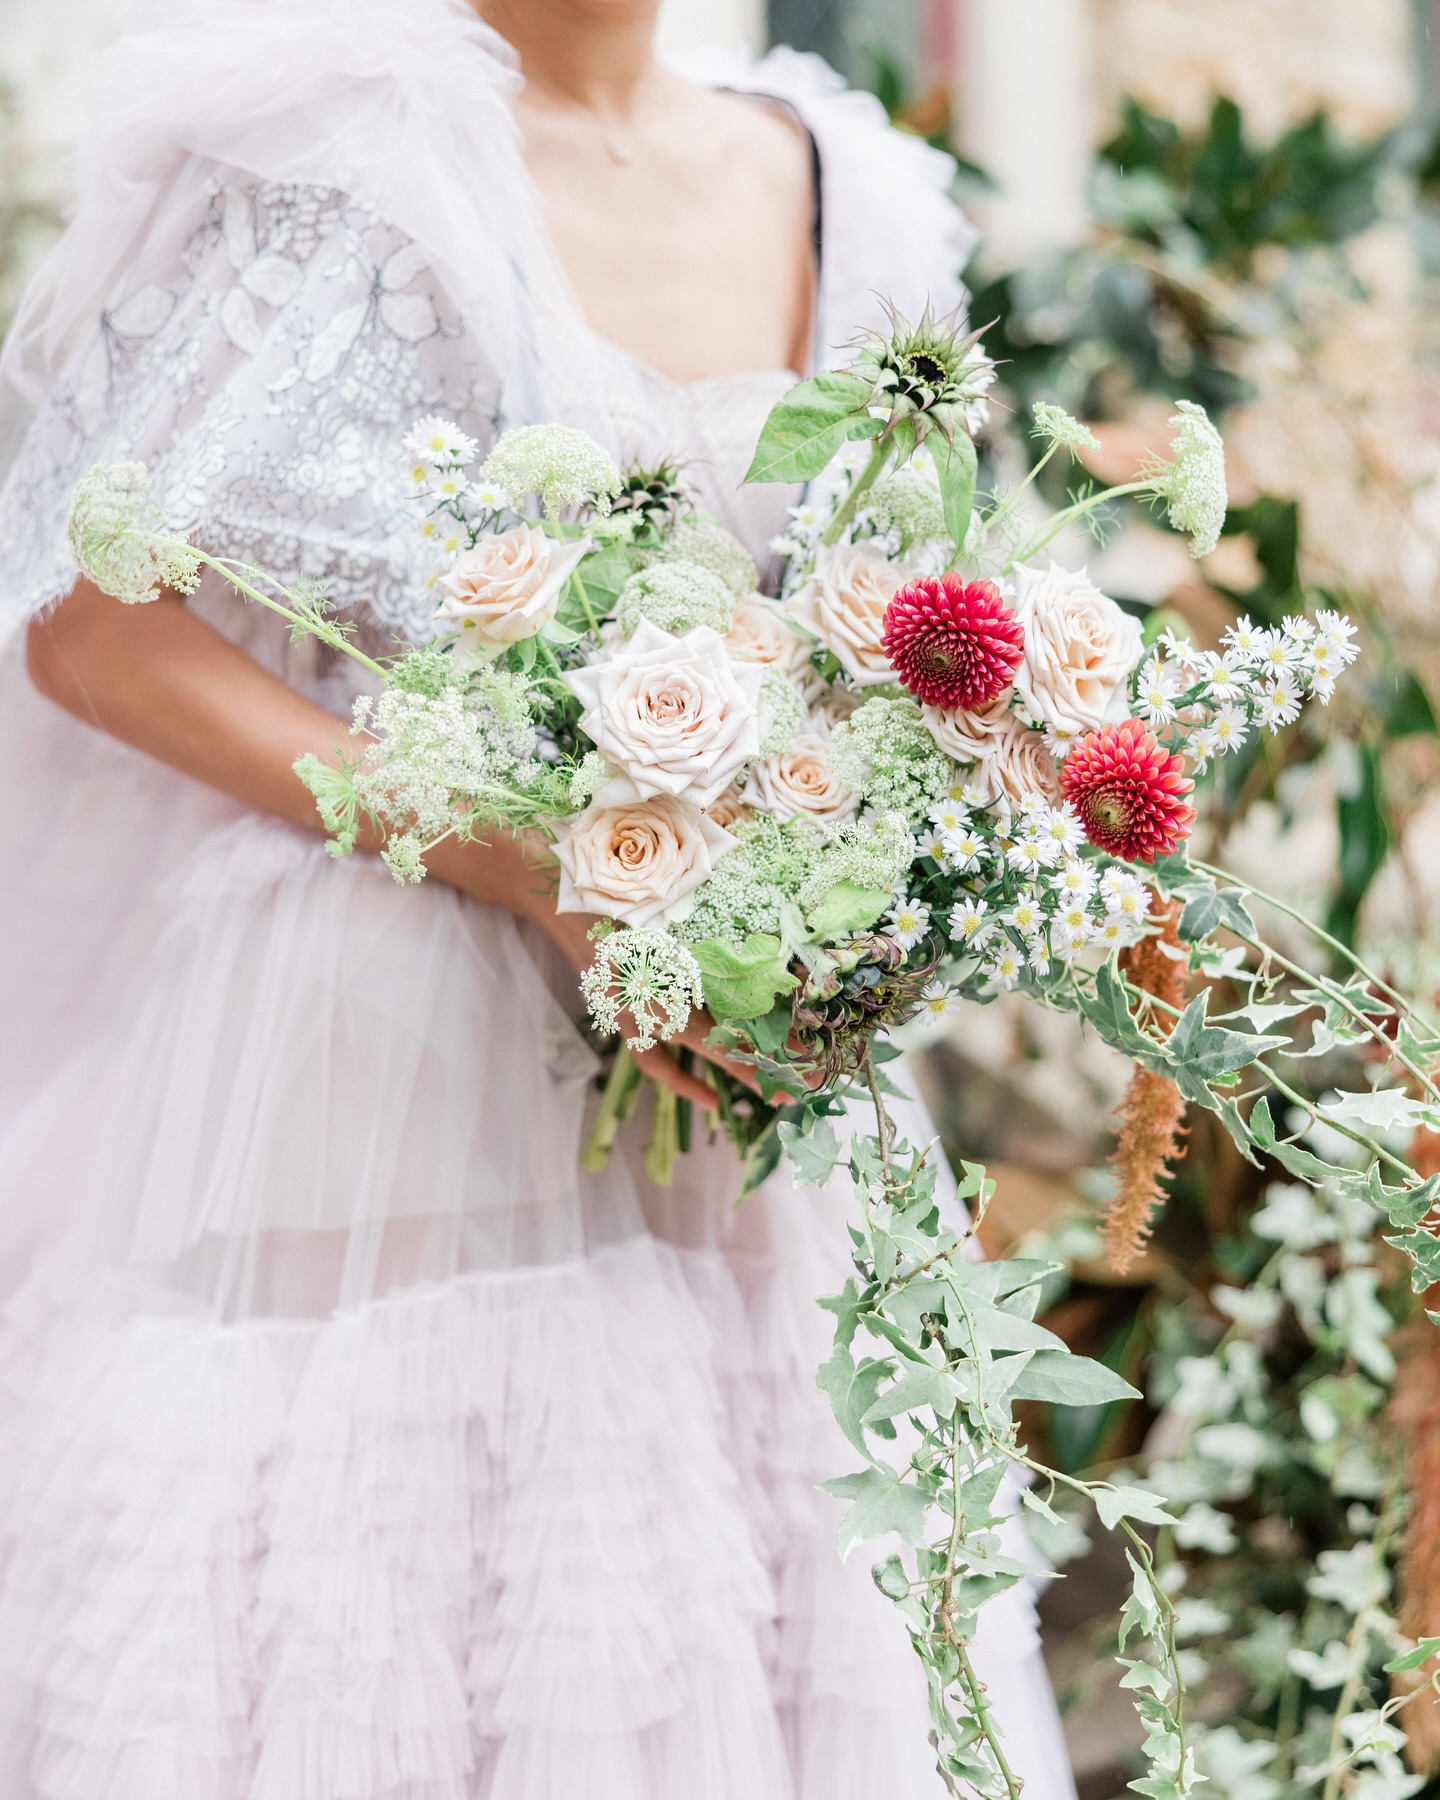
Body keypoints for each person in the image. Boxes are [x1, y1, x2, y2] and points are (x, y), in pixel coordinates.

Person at [0, 0, 1079, 1794]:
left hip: (748, 1063)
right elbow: (96, 628)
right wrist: (542, 869)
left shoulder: (847, 182)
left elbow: (904, 632)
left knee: (770, 1619)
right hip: (382, 1043)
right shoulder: (335, 153)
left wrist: (859, 896)